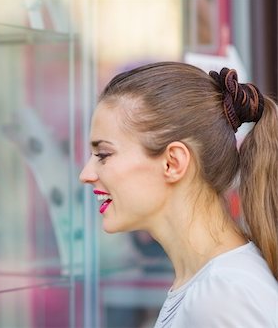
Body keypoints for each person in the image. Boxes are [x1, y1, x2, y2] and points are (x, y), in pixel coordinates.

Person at [80, 61, 278, 327]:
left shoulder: (222, 297)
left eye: (103, 155)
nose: (86, 174)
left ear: (173, 162)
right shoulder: (211, 286)